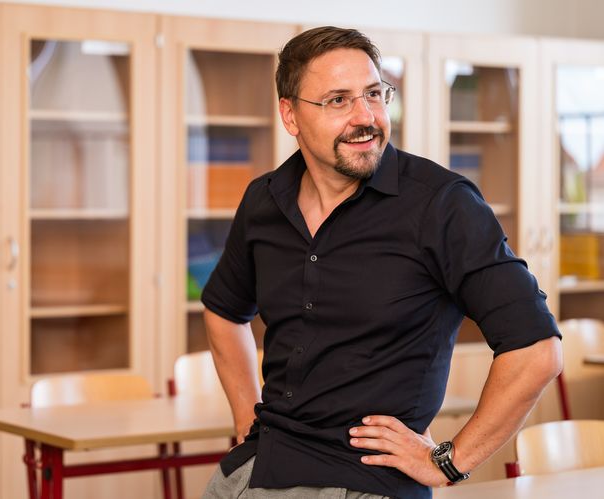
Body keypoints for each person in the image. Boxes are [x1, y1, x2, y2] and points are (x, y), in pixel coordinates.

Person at [200, 26, 562, 499]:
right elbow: (224, 310)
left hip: (364, 484)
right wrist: (249, 420)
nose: (365, 117)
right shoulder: (264, 200)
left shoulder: (442, 205)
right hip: (251, 473)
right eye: (337, 100)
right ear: (290, 115)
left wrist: (450, 463)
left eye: (374, 94)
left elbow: (536, 350)